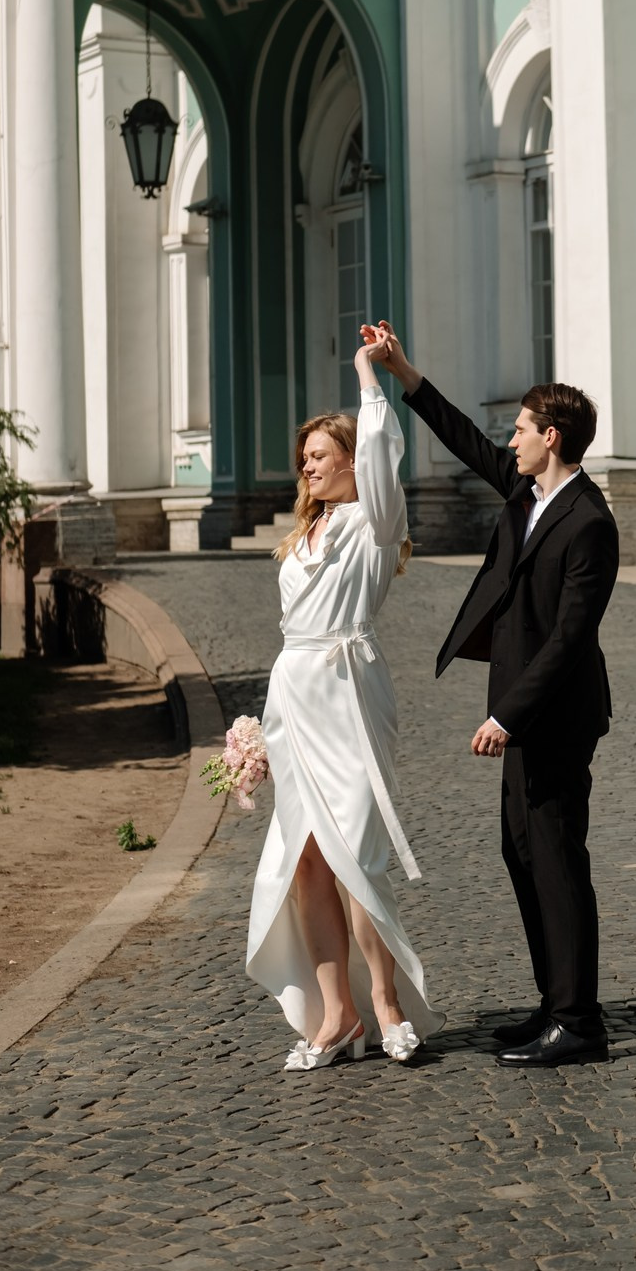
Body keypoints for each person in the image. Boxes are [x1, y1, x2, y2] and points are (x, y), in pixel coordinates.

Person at [374, 320, 619, 1068]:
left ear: (552, 435)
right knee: (520, 851)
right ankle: (554, 1002)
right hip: (520, 710)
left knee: (555, 857)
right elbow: (461, 438)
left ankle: (578, 1022)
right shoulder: (526, 492)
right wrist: (404, 372)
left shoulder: (590, 522)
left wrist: (506, 716)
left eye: (519, 430)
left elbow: (571, 640)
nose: (508, 440)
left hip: (554, 715)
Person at [245, 325, 442, 1072]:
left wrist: (369, 373)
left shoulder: (372, 525)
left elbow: (386, 459)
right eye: (305, 459)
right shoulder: (303, 535)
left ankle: (389, 1005)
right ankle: (337, 1016)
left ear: (353, 462)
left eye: (321, 456)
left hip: (351, 692)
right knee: (305, 863)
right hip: (294, 696)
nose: (308, 466)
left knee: (355, 850)